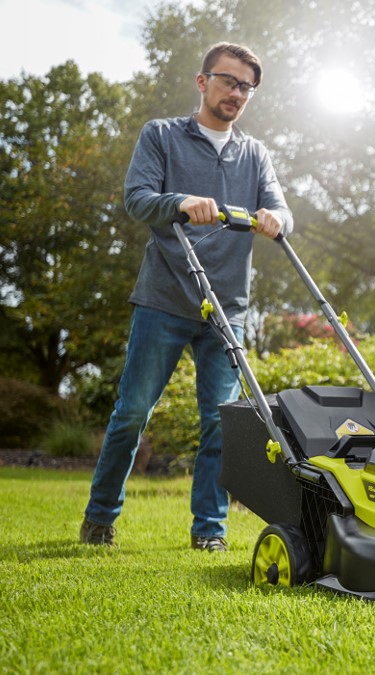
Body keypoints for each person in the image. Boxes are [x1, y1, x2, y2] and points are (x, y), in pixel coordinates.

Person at [80, 42, 293, 552]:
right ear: (202, 82)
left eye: (246, 87)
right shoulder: (161, 135)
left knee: (222, 424)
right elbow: (138, 198)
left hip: (228, 309)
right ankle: (100, 518)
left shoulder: (255, 154)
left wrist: (276, 219)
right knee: (133, 411)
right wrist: (180, 201)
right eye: (228, 81)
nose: (236, 94)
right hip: (166, 298)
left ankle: (209, 532)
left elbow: (283, 210)